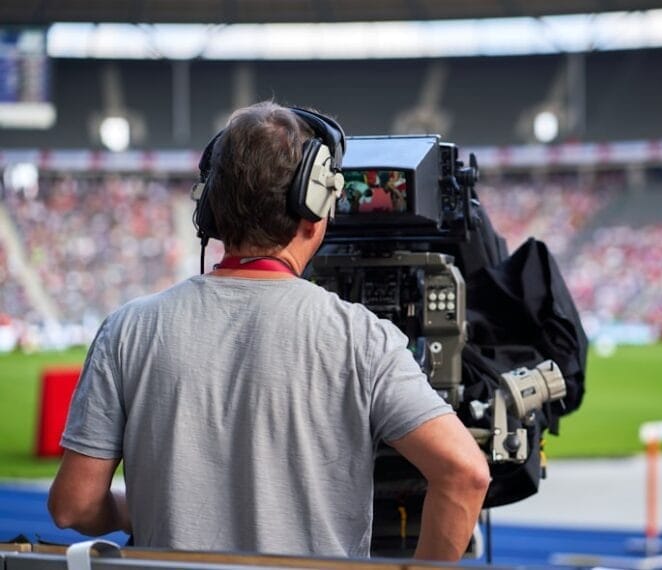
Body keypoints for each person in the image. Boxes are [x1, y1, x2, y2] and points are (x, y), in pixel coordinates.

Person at [47, 101, 490, 561]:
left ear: (211, 208)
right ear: (315, 204)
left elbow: (73, 505)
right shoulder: (362, 337)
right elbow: (465, 473)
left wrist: (135, 510)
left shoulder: (127, 329)